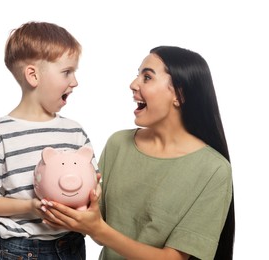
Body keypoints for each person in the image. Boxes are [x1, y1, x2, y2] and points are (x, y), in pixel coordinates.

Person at [42, 46, 235, 260]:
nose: (133, 85)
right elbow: (94, 221)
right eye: (138, 76)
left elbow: (173, 259)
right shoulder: (119, 144)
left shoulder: (214, 169)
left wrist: (98, 230)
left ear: (179, 94)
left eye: (147, 77)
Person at [0, 21, 99, 260]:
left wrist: (95, 191)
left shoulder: (74, 131)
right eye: (67, 72)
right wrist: (30, 207)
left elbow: (93, 178)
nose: (75, 81)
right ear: (33, 75)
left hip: (72, 244)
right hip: (23, 249)